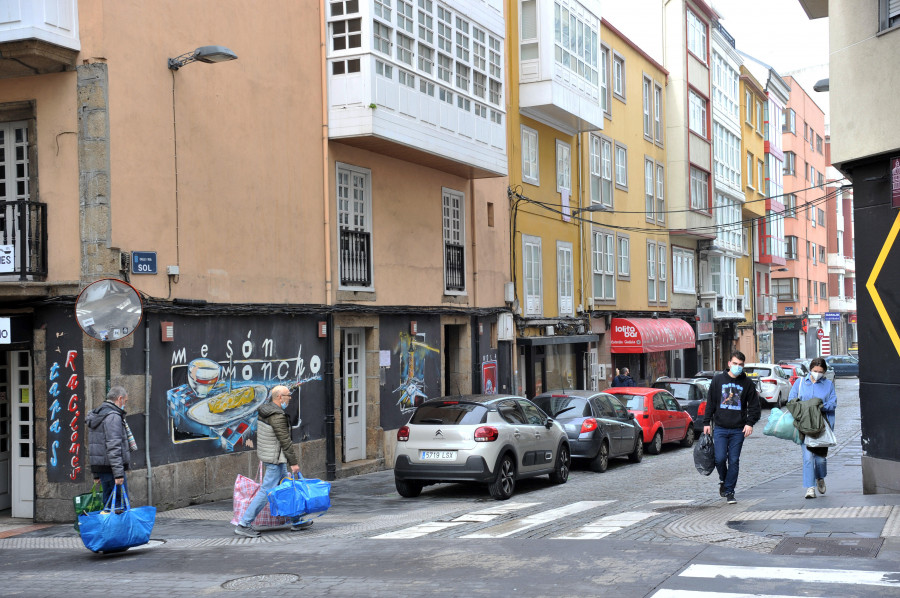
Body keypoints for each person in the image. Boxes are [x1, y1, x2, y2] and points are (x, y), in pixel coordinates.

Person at [234, 385, 313, 537]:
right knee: (266, 491)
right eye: (288, 396)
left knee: (287, 487)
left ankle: (296, 520)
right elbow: (285, 440)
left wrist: (292, 386)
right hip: (275, 458)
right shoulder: (277, 416)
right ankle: (244, 523)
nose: (290, 398)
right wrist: (294, 463)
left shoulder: (267, 409)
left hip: (274, 456)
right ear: (279, 397)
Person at [702, 351, 761, 505]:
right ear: (729, 363)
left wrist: (750, 423)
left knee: (733, 460)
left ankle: (729, 491)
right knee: (720, 459)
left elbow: (754, 406)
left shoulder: (747, 384)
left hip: (738, 429)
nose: (737, 367)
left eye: (741, 365)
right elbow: (711, 402)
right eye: (735, 364)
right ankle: (724, 479)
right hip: (720, 427)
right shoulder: (718, 380)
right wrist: (706, 422)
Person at [788, 357, 837, 499]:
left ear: (824, 372)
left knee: (820, 460)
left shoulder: (828, 385)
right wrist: (806, 408)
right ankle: (810, 488)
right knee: (808, 458)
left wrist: (819, 406)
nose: (817, 373)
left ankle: (820, 477)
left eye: (820, 371)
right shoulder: (800, 383)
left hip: (821, 427)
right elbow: (792, 401)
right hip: (804, 426)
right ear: (810, 370)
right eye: (815, 371)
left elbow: (833, 403)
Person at [87, 386, 136, 509]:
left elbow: (95, 446)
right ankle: (119, 529)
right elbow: (114, 446)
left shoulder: (98, 414)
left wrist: (96, 474)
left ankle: (110, 528)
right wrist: (119, 474)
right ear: (120, 399)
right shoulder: (113, 416)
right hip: (113, 470)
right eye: (125, 401)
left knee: (108, 504)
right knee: (119, 507)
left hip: (103, 469)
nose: (125, 404)